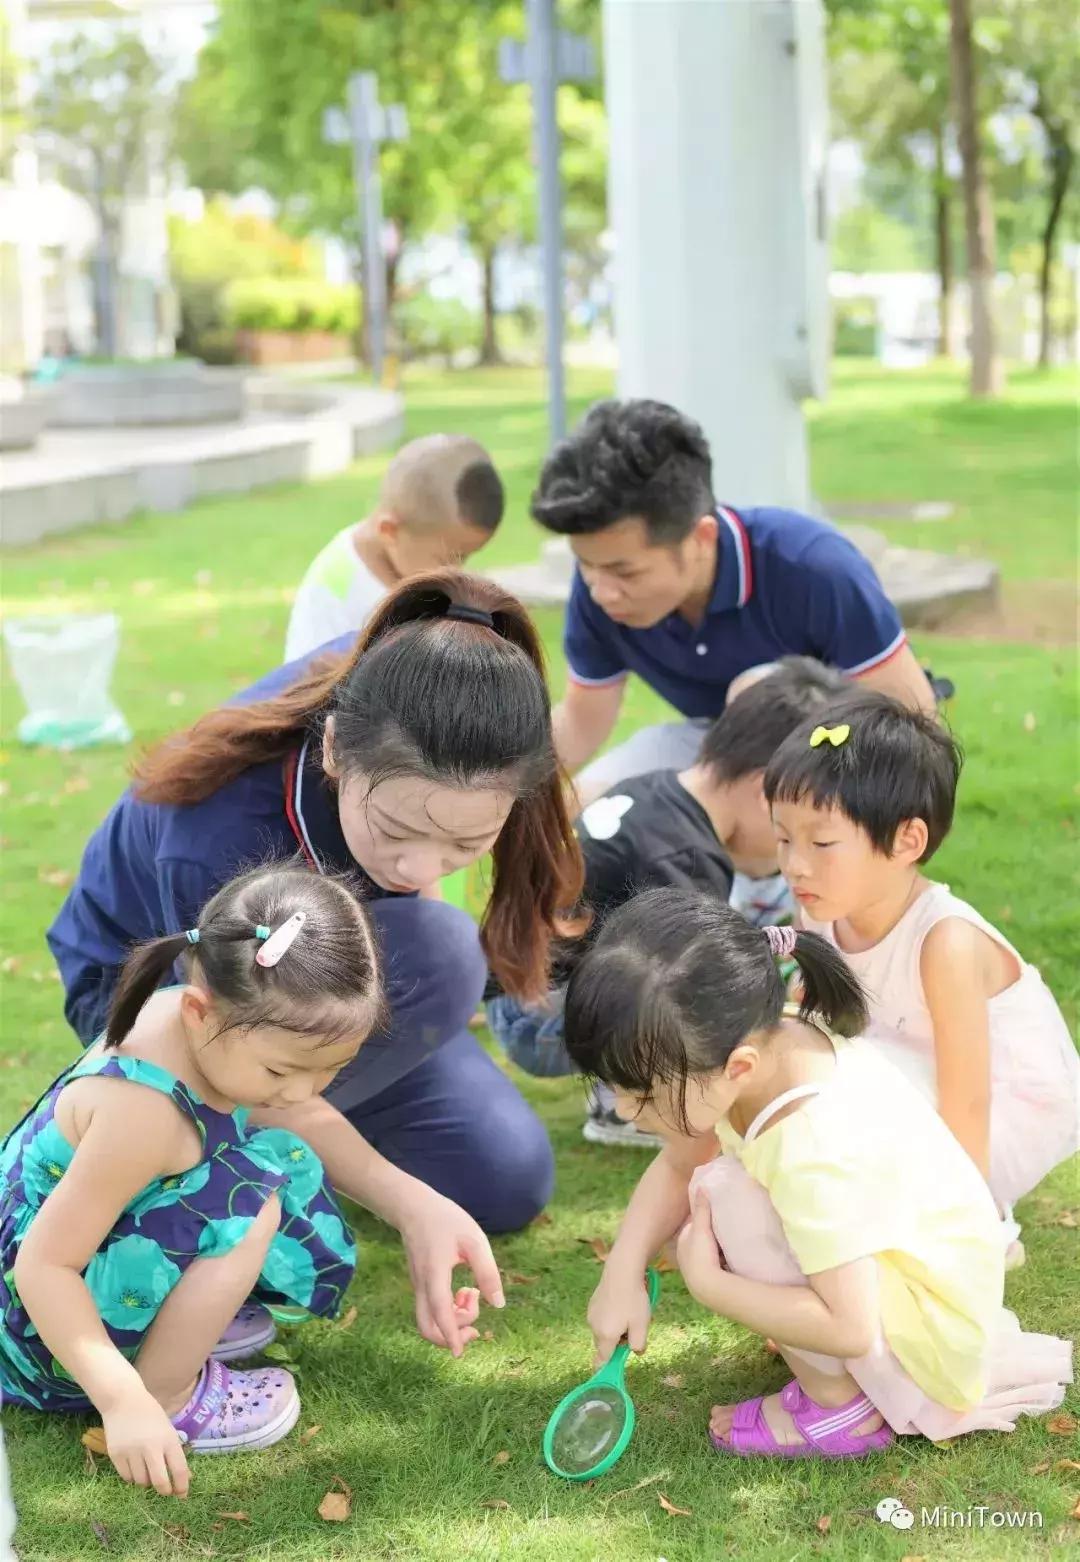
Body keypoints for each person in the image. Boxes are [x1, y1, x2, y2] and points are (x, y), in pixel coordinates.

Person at [47, 572, 584, 1346]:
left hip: (328, 974)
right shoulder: (220, 838)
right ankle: (194, 1198)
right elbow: (223, 1040)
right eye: (396, 830)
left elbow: (417, 887)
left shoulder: (452, 704)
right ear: (333, 749)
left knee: (505, 1180)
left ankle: (311, 1107)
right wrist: (404, 1202)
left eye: (465, 842)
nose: (418, 868)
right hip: (159, 1000)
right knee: (439, 954)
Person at [564, 890, 1072, 1460]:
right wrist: (621, 1274)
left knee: (724, 1195)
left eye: (645, 1095)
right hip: (913, 1276)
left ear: (737, 1067)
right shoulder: (766, 1040)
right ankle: (832, 1364)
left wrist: (709, 1283)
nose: (626, 1111)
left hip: (924, 1333)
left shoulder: (809, 1148)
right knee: (716, 1187)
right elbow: (682, 1159)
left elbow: (850, 1327)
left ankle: (840, 1407)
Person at [2, 866, 396, 1495]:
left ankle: (175, 1327)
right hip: (39, 1331)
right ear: (198, 1012)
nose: (303, 1094)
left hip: (63, 1276)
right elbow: (44, 1268)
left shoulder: (198, 1021)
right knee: (250, 1198)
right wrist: (124, 1402)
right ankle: (168, 1394)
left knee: (256, 1160)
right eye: (280, 1072)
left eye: (331, 1070)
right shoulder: (143, 1113)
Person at [764, 692, 1080, 1261]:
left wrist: (967, 1235)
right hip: (906, 1070)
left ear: (907, 840)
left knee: (850, 1100)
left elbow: (968, 1102)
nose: (795, 865)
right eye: (783, 838)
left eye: (822, 842)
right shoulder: (820, 909)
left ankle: (988, 1225)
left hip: (1003, 1104)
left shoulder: (945, 942)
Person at [486, 657, 846, 1149]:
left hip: (519, 991)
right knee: (699, 1007)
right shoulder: (686, 860)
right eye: (789, 828)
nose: (790, 848)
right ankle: (626, 1099)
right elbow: (689, 992)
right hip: (540, 1018)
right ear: (766, 791)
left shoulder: (659, 791)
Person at [530, 398, 937, 809]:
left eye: (625, 572)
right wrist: (498, 790)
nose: (601, 592)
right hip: (711, 742)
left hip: (833, 754)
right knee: (585, 810)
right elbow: (582, 721)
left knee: (757, 692)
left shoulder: (815, 569)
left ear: (701, 538)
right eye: (585, 565)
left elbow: (914, 722)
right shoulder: (599, 586)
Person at [284, 435, 505, 661]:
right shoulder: (331, 599)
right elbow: (305, 679)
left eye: (465, 558)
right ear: (389, 530)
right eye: (448, 558)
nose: (456, 572)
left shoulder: (413, 560)